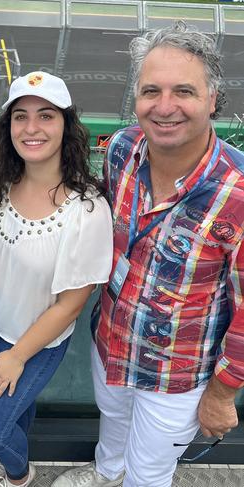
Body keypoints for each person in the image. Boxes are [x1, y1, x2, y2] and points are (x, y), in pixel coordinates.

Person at [53, 22, 244, 487]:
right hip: (112, 340)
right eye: (150, 90)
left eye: (184, 91)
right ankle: (105, 472)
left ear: (213, 98)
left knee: (150, 473)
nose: (164, 107)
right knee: (112, 424)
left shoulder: (238, 193)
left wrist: (221, 395)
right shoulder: (122, 149)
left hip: (178, 373)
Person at [0, 72, 113, 487]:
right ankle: (18, 451)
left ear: (67, 125)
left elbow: (71, 304)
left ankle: (19, 475)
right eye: (20, 117)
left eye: (45, 116)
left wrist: (17, 356)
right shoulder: (0, 184)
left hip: (36, 340)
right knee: (17, 411)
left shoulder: (86, 210)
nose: (31, 128)